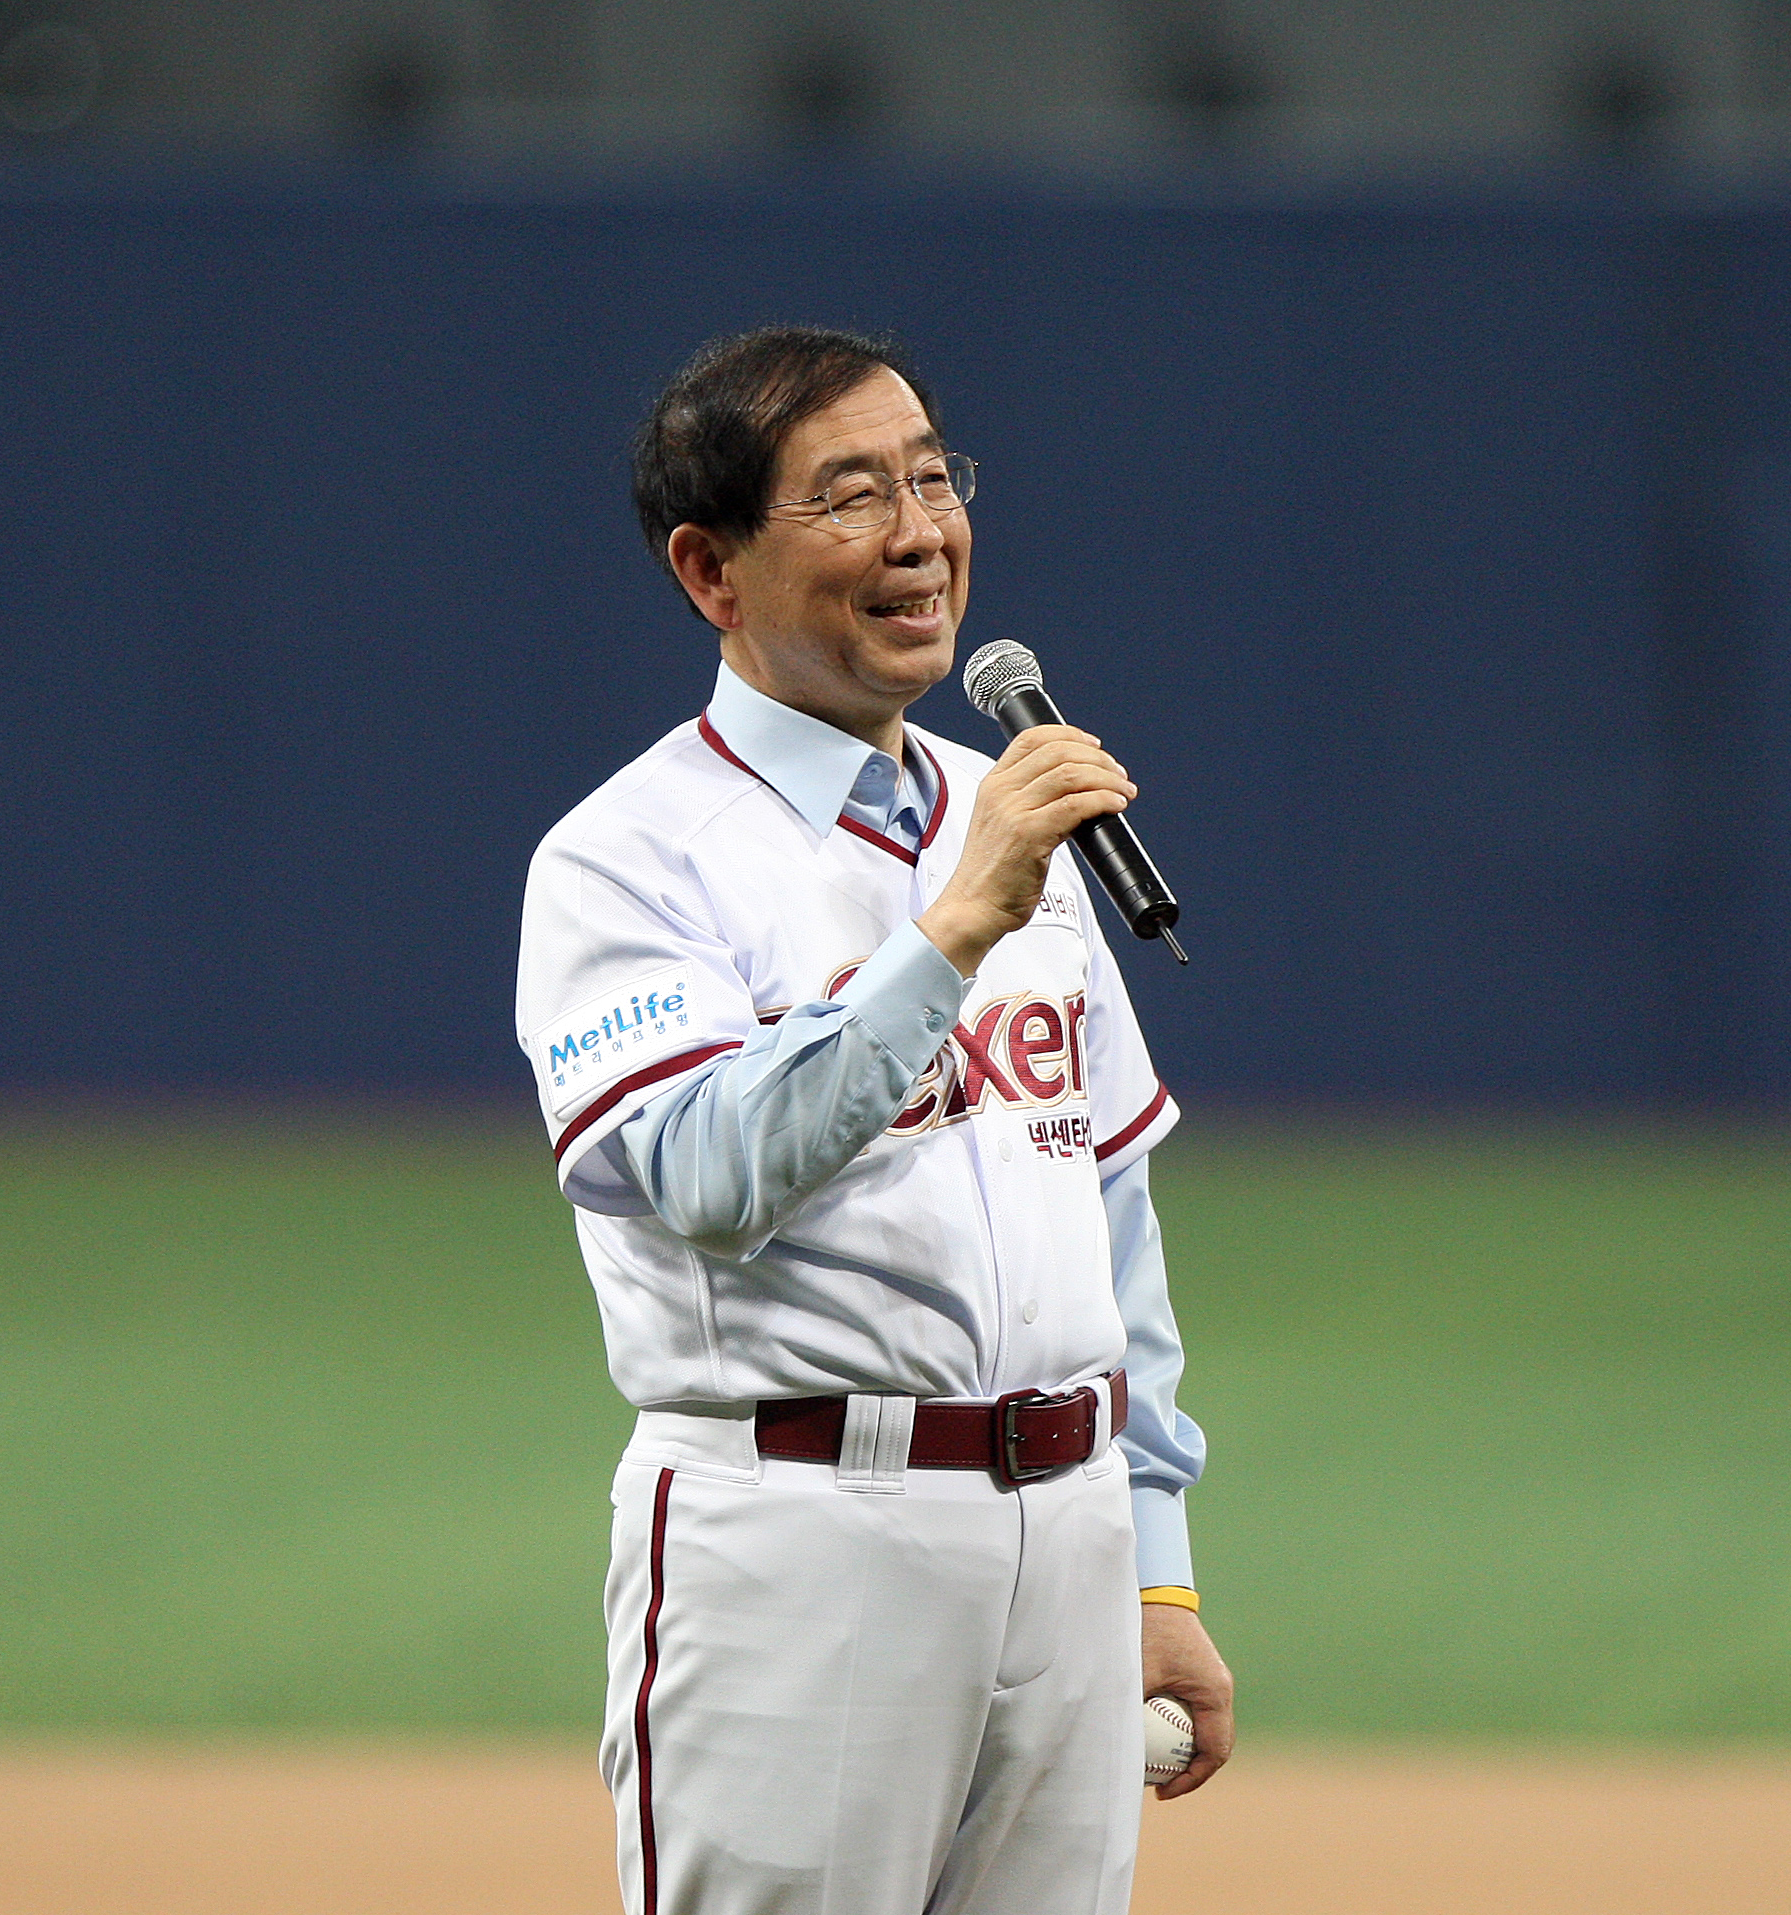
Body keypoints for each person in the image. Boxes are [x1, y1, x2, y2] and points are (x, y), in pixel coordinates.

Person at [515, 326, 1233, 1915]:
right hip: (798, 1545)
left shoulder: (1008, 819)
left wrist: (1156, 1559)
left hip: (1067, 1540)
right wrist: (953, 927)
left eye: (931, 477)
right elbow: (705, 1175)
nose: (919, 532)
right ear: (711, 570)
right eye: (850, 495)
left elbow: (1105, 1212)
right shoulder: (629, 859)